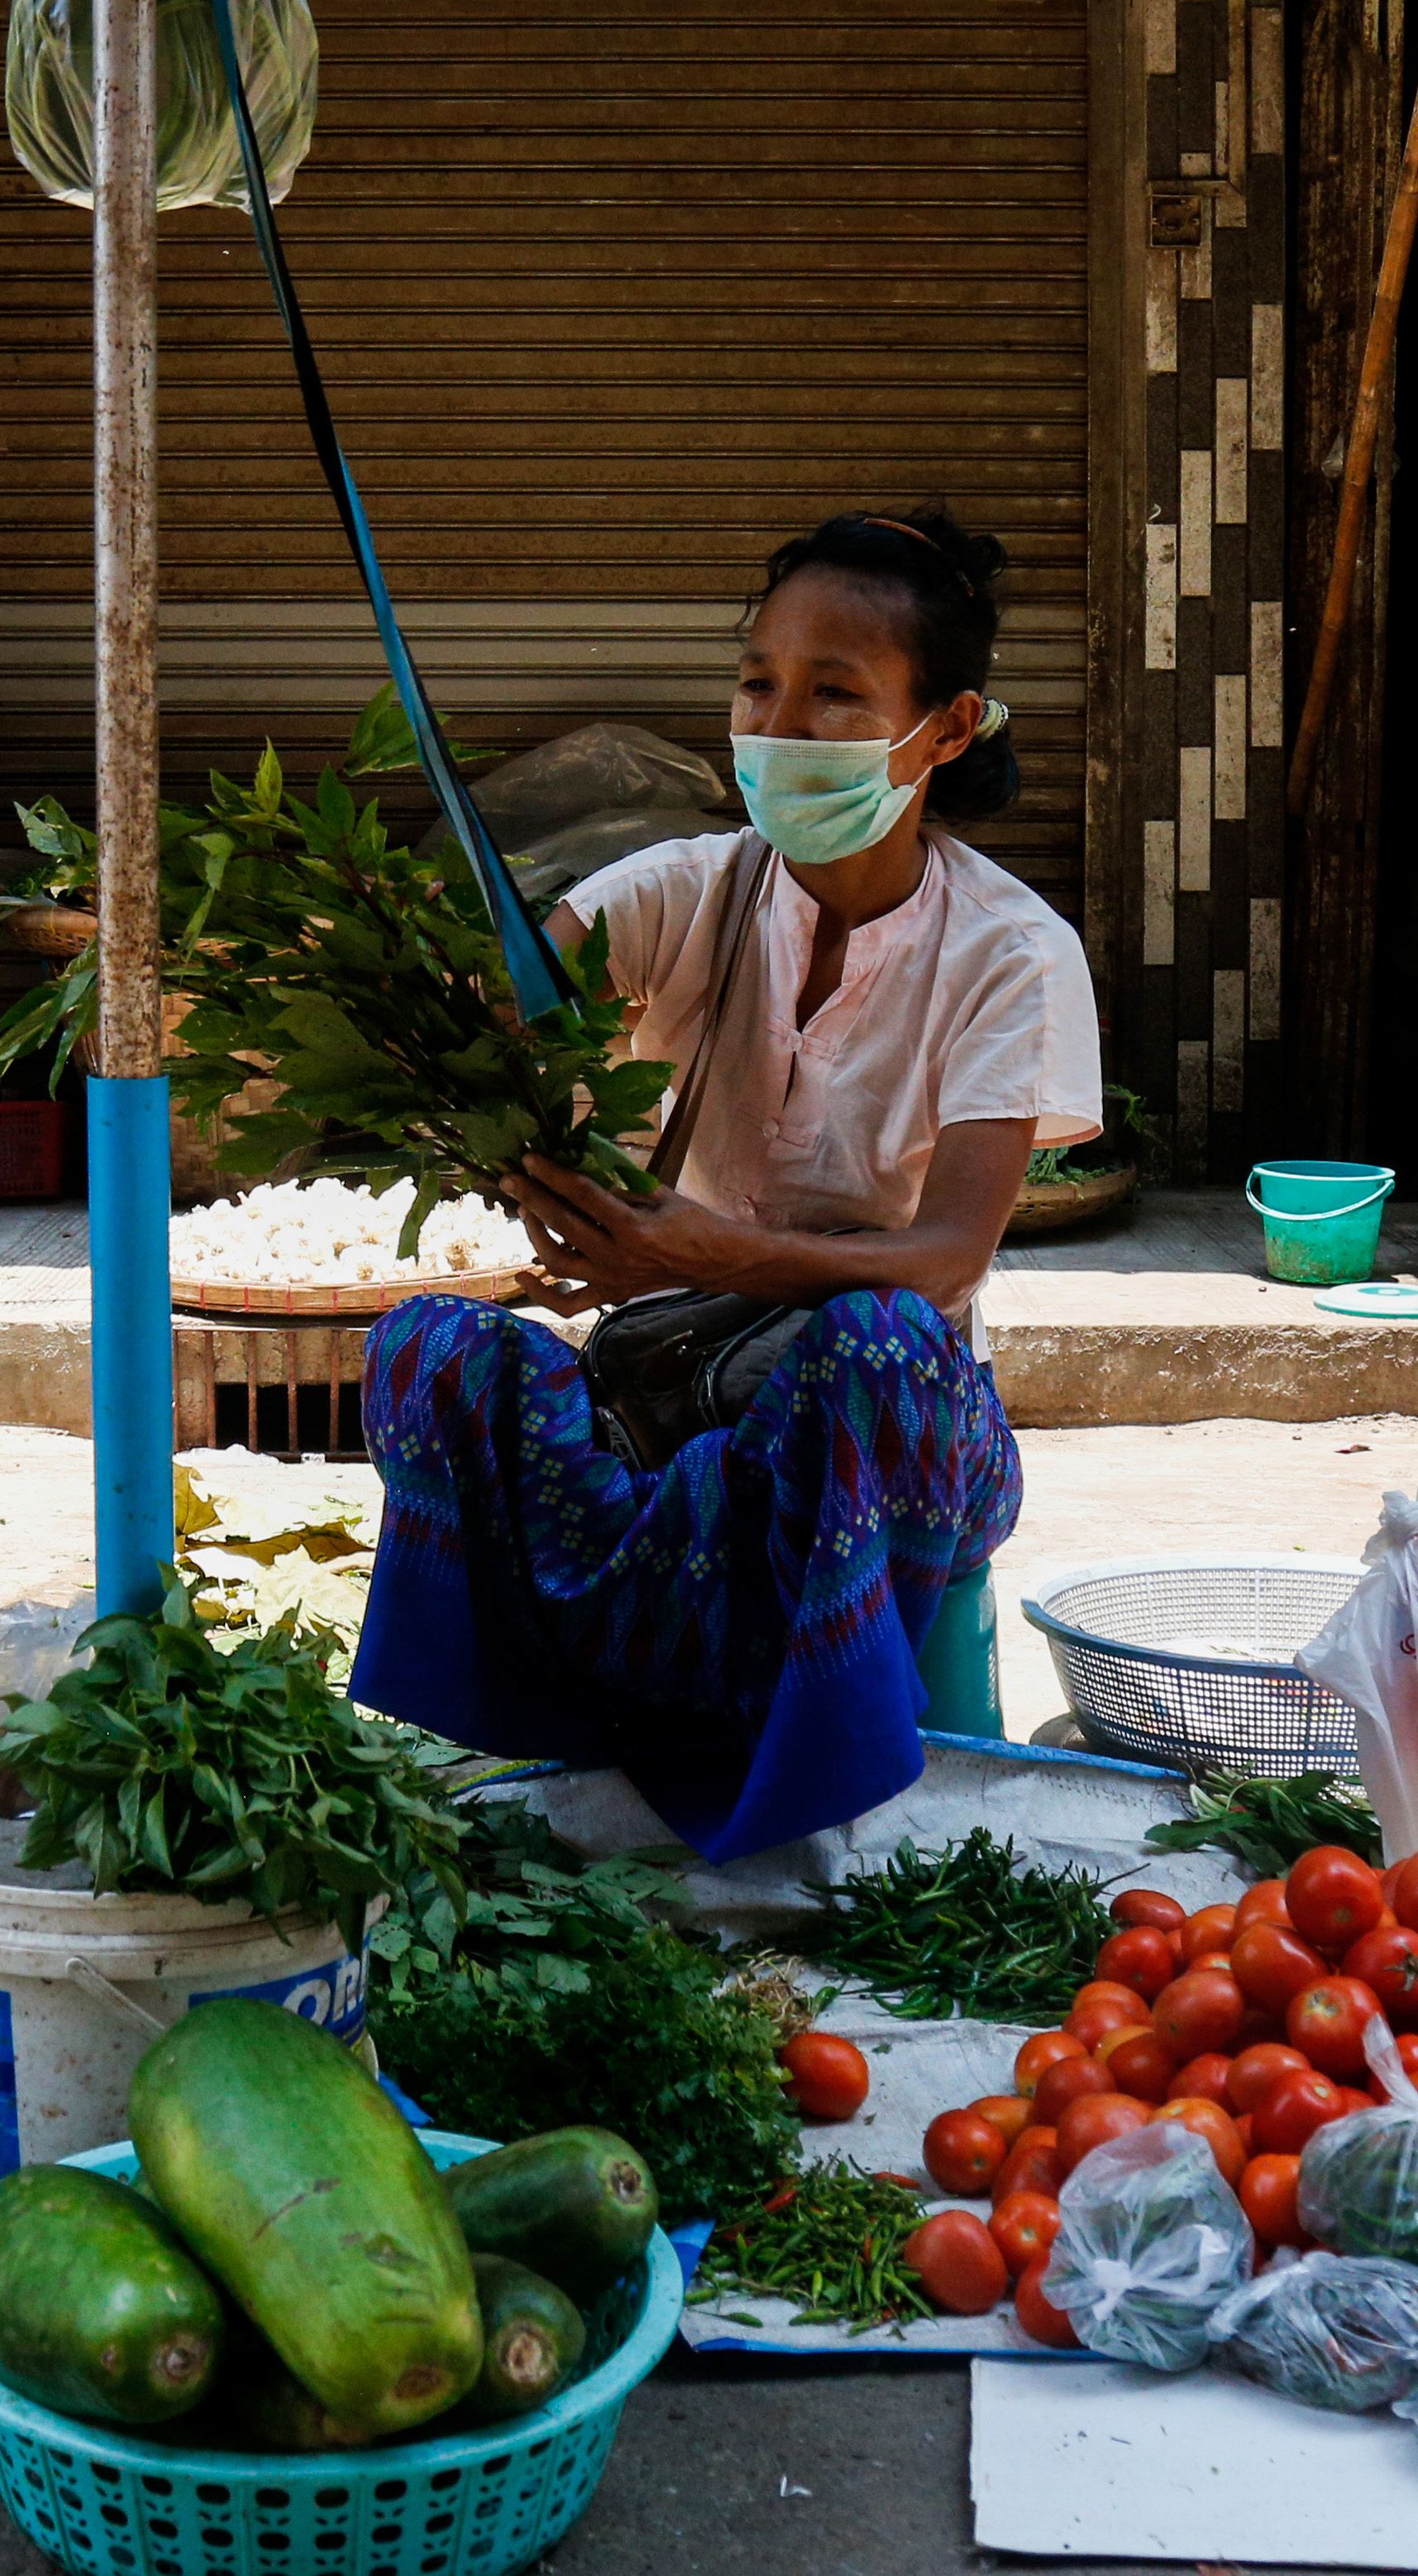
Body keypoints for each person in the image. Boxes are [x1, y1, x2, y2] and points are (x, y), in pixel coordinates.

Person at [349, 506, 1105, 1858]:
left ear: (943, 729)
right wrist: (459, 1012)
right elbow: (515, 998)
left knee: (874, 1344)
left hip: (878, 1434)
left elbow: (943, 1262)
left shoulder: (1010, 953)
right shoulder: (683, 891)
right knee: (433, 1351)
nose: (778, 723)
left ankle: (809, 1776)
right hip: (664, 1380)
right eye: (759, 681)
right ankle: (489, 1752)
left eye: (834, 693)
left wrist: (702, 1253)